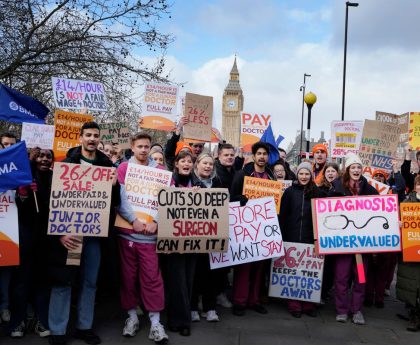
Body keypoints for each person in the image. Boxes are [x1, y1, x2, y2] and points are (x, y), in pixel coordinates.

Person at [47, 121, 120, 345]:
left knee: (90, 282)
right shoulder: (66, 164)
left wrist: (115, 186)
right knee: (64, 282)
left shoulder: (107, 166)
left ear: (99, 139)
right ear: (80, 137)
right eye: (87, 135)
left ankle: (84, 327)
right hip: (70, 236)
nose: (91, 139)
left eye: (95, 135)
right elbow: (53, 203)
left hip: (94, 238)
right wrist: (60, 234)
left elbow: (114, 204)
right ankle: (57, 331)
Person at [115, 132, 168, 343]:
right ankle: (132, 317)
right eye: (140, 146)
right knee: (128, 278)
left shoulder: (162, 172)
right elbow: (120, 197)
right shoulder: (123, 169)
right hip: (127, 233)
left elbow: (165, 199)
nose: (144, 150)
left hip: (150, 236)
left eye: (147, 146)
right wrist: (133, 220)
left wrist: (155, 221)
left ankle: (156, 322)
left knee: (152, 278)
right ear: (132, 147)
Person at [8, 148, 54, 338]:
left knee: (43, 282)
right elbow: (16, 207)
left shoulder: (56, 178)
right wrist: (24, 194)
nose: (44, 159)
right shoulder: (24, 176)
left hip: (47, 238)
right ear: (34, 158)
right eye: (41, 156)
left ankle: (41, 321)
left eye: (48, 156)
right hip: (25, 236)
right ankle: (18, 322)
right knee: (22, 282)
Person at [329, 153, 378, 325]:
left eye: (359, 167)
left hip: (362, 247)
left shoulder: (371, 190)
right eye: (353, 167)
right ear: (348, 170)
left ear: (362, 169)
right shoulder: (336, 188)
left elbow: (380, 214)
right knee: (341, 277)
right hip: (342, 245)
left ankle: (357, 310)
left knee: (360, 278)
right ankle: (342, 310)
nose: (356, 170)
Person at [230, 142, 276, 316]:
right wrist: (241, 199)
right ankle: (239, 301)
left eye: (265, 154)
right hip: (246, 228)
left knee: (259, 268)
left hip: (264, 228)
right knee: (244, 267)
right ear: (254, 156)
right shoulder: (242, 174)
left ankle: (254, 300)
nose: (262, 157)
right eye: (259, 154)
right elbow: (232, 197)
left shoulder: (271, 178)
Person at [164, 150, 205, 336]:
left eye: (190, 161)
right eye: (183, 161)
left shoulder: (199, 185)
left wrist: (199, 195)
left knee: (187, 281)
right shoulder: (168, 182)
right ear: (177, 164)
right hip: (172, 241)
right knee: (176, 281)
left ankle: (182, 319)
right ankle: (177, 319)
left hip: (193, 242)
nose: (186, 163)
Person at [279, 162, 326, 317]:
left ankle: (308, 304)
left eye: (307, 174)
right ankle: (294, 305)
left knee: (309, 274)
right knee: (293, 273)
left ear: (311, 176)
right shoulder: (289, 192)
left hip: (310, 239)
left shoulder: (318, 193)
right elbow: (283, 216)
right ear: (297, 175)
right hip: (291, 238)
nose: (304, 176)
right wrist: (282, 237)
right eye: (301, 173)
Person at [365, 166, 405, 309]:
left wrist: (398, 170)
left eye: (381, 176)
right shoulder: (368, 192)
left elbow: (401, 186)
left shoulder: (392, 193)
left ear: (385, 179)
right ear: (372, 178)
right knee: (369, 270)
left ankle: (380, 297)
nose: (379, 178)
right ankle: (368, 296)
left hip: (386, 238)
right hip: (370, 236)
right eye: (376, 176)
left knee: (383, 270)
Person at [190, 153, 223, 323]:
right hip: (193, 237)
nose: (208, 166)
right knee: (195, 274)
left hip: (213, 236)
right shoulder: (190, 182)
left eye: (211, 164)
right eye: (205, 163)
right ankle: (193, 307)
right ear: (197, 165)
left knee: (212, 274)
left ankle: (210, 308)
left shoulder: (217, 183)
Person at [396, 175, 420, 331]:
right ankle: (414, 314)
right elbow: (399, 218)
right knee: (411, 283)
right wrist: (400, 223)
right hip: (411, 250)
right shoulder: (408, 202)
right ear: (416, 186)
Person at [318, 162, 341, 301]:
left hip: (336, 234)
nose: (330, 173)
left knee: (331, 266)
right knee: (322, 264)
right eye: (328, 171)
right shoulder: (319, 189)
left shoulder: (342, 189)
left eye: (333, 171)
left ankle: (326, 290)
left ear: (338, 173)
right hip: (322, 232)